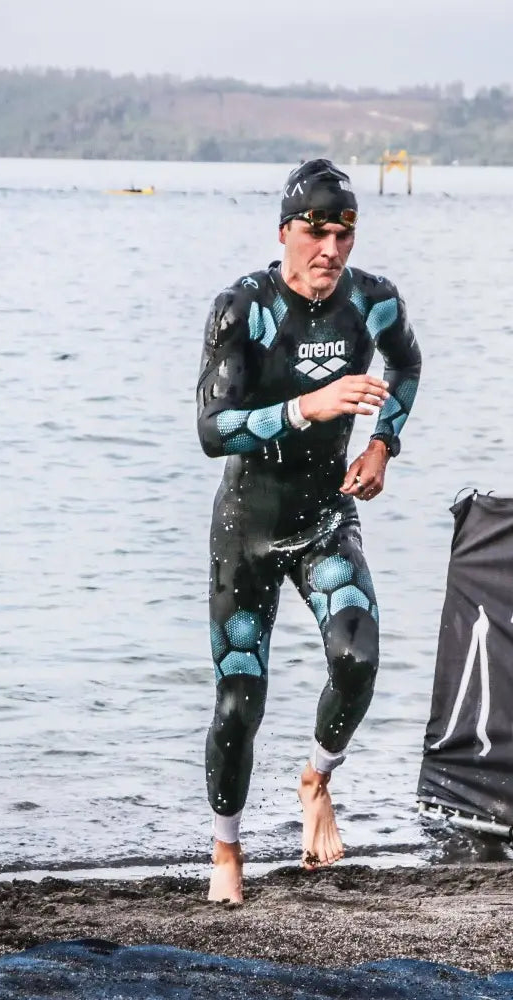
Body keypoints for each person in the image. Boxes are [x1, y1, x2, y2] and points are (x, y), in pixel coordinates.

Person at [195, 159, 421, 904]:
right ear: (286, 232)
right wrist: (309, 407)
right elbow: (213, 429)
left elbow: (408, 362)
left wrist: (382, 444)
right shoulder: (244, 309)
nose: (330, 248)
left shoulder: (371, 302)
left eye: (344, 233)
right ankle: (227, 853)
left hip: (325, 516)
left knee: (357, 658)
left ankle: (317, 777)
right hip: (249, 528)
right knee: (239, 702)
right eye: (317, 232)